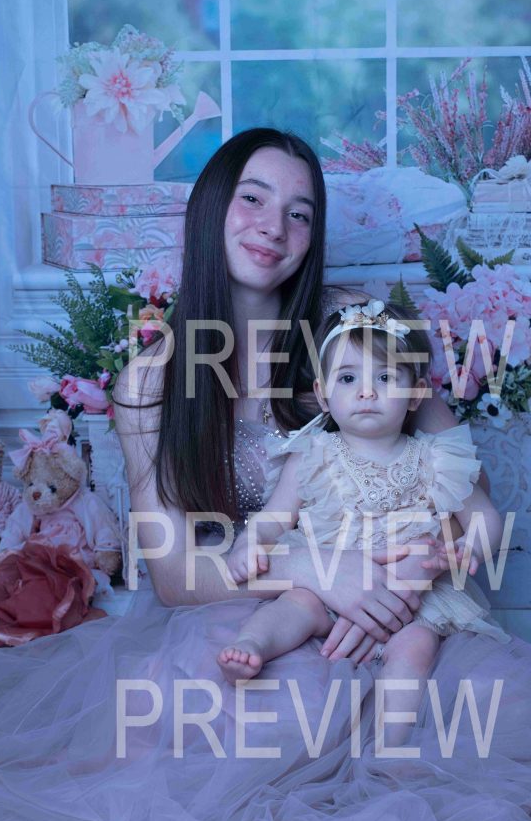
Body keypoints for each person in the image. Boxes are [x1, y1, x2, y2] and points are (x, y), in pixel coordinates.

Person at [0, 129, 531, 821]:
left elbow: (466, 487)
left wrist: (411, 575)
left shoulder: (353, 327)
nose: (274, 226)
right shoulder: (152, 380)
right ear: (210, 209)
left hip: (399, 596)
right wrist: (319, 573)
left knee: (506, 710)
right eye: (253, 199)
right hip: (250, 600)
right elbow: (173, 573)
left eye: (300, 213)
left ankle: (390, 745)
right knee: (246, 709)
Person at [217, 299, 511, 700]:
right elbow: (274, 518)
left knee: (416, 648)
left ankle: (394, 736)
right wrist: (249, 542)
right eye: (348, 378)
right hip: (327, 587)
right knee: (293, 606)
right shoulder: (312, 455)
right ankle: (251, 646)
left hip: (414, 601)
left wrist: (467, 547)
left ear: (415, 394)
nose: (367, 392)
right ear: (323, 395)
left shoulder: (437, 458)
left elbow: (486, 517)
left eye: (386, 377)